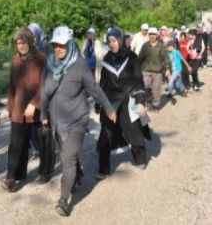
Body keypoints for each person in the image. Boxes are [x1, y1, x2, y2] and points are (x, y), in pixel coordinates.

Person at [40, 26, 116, 216]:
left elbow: (94, 90)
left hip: (76, 121)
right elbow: (44, 93)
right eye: (55, 45)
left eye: (62, 45)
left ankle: (64, 200)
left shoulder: (80, 64)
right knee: (68, 156)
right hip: (57, 122)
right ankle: (78, 175)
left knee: (68, 159)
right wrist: (43, 115)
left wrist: (108, 108)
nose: (58, 49)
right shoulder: (50, 64)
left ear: (70, 44)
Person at [97, 27, 151, 180]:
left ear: (120, 40)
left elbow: (138, 80)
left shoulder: (132, 57)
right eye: (109, 41)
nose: (112, 44)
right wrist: (98, 101)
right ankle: (103, 168)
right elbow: (103, 82)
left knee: (134, 129)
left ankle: (140, 159)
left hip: (129, 99)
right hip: (110, 101)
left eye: (114, 41)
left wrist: (141, 101)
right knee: (105, 134)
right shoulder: (107, 59)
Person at [2, 28, 49, 192]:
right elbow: (11, 86)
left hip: (36, 109)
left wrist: (35, 103)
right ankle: (12, 176)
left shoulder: (41, 58)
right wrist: (10, 106)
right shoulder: (15, 61)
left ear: (30, 42)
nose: (20, 46)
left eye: (23, 43)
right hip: (18, 108)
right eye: (18, 43)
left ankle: (45, 171)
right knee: (16, 144)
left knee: (42, 143)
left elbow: (45, 84)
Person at [27, 23, 56, 181]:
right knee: (36, 129)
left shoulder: (46, 46)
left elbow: (50, 73)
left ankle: (46, 170)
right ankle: (41, 154)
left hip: (46, 95)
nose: (31, 37)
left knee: (45, 131)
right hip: (32, 96)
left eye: (33, 34)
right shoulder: (30, 49)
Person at [138, 27, 171, 111]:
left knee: (156, 90)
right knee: (145, 86)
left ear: (157, 35)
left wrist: (167, 69)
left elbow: (166, 58)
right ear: (148, 35)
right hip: (146, 70)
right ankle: (149, 101)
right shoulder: (145, 46)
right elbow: (140, 58)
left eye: (153, 34)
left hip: (158, 72)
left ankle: (155, 105)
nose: (152, 36)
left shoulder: (161, 46)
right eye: (150, 34)